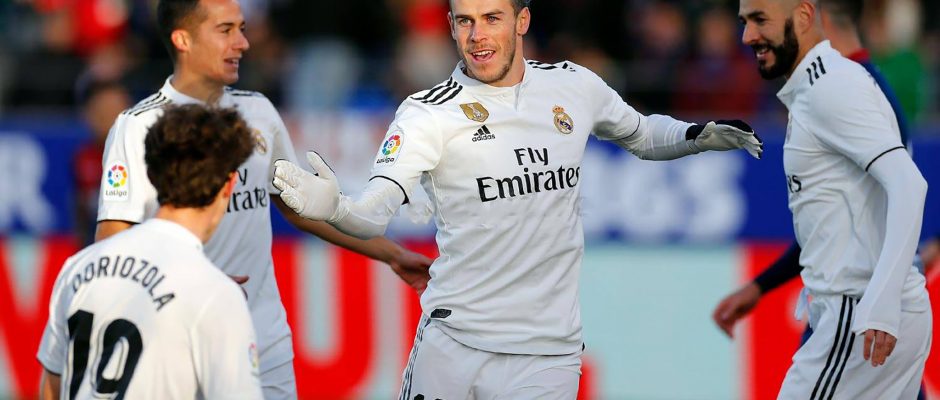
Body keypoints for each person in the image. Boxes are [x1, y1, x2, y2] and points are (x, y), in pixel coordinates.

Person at [271, 0, 763, 397]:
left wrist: (697, 135)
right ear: (450, 27)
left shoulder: (573, 85)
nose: (477, 35)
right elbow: (375, 211)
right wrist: (337, 207)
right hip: (455, 343)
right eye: (465, 21)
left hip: (547, 355)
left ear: (522, 20)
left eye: (491, 18)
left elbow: (642, 133)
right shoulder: (427, 114)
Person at [93, 0, 434, 397]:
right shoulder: (137, 127)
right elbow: (112, 244)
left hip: (263, 337)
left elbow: (300, 209)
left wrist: (392, 254)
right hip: (179, 338)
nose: (242, 43)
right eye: (225, 30)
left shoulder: (258, 112)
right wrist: (190, 282)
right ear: (183, 39)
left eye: (241, 28)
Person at [737, 0, 930, 398]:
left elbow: (909, 185)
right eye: (745, 21)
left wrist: (882, 300)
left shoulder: (830, 88)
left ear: (804, 16)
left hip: (858, 318)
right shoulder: (821, 86)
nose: (747, 36)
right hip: (867, 315)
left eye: (760, 20)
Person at [37, 104, 262, 399]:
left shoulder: (78, 266)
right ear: (229, 185)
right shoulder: (216, 294)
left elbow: (51, 388)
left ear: (152, 175)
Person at [72, 76, 131, 246]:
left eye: (114, 109)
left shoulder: (140, 155)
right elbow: (79, 210)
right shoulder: (83, 158)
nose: (108, 117)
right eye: (101, 111)